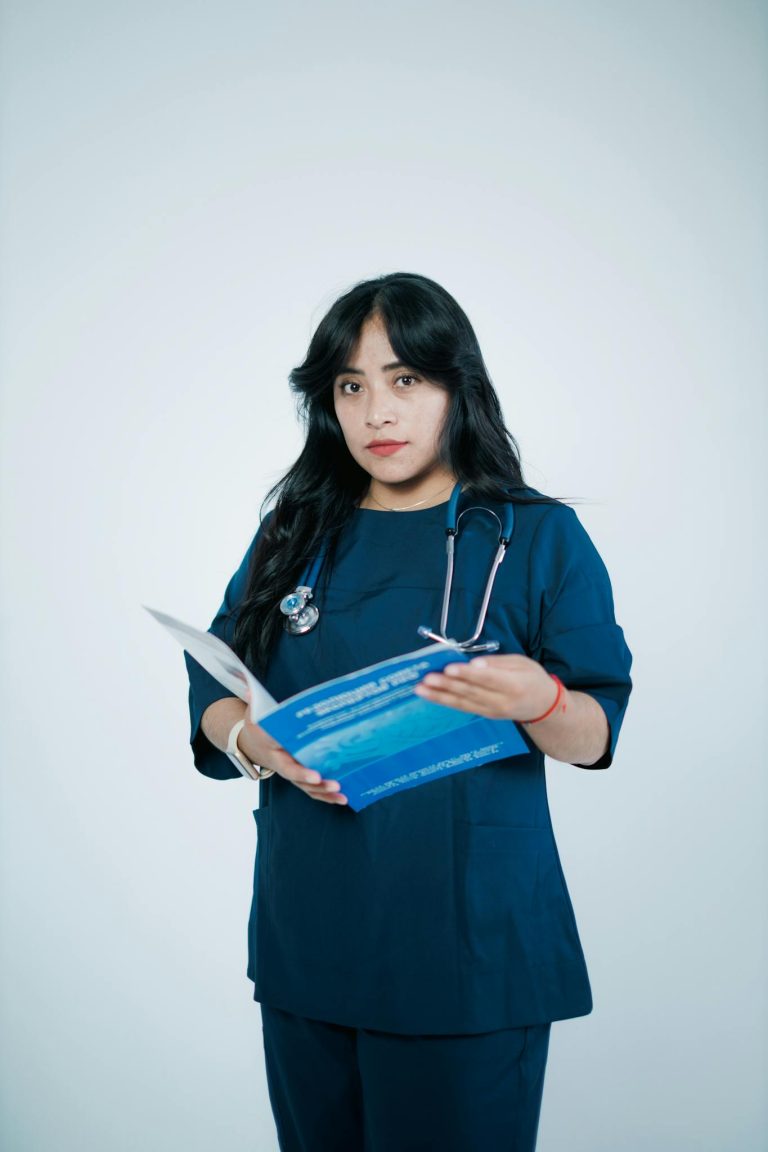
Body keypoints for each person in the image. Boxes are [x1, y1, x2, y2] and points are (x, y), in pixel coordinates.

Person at [184, 271, 633, 1152]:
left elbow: (595, 732)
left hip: (465, 949)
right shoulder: (295, 532)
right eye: (351, 387)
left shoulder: (535, 536)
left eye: (405, 381)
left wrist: (539, 698)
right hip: (310, 936)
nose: (377, 413)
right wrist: (254, 740)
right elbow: (215, 682)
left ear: (454, 385)